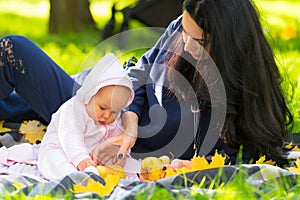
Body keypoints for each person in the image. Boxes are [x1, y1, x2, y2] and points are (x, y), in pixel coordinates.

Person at [0, 0, 293, 169]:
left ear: (228, 42)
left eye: (197, 40)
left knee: (13, 70)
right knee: (12, 62)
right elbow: (137, 74)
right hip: (103, 107)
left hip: (104, 134)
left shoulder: (242, 101)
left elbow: (249, 150)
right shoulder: (181, 29)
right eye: (184, 32)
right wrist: (129, 128)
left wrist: (189, 166)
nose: (186, 44)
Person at [37, 53, 135, 180]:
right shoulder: (73, 109)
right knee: (54, 162)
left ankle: (94, 176)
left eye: (115, 111)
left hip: (90, 157)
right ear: (89, 94)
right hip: (60, 147)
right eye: (102, 108)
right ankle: (77, 179)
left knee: (122, 166)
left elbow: (118, 139)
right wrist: (82, 159)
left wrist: (121, 155)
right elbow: (69, 136)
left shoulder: (113, 118)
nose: (107, 116)